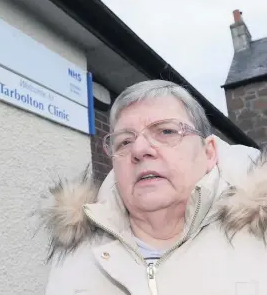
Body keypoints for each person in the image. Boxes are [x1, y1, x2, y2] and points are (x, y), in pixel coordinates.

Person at [39, 80, 267, 295]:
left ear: (209, 153)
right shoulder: (74, 255)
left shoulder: (260, 236)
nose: (139, 149)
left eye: (166, 131)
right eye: (125, 141)